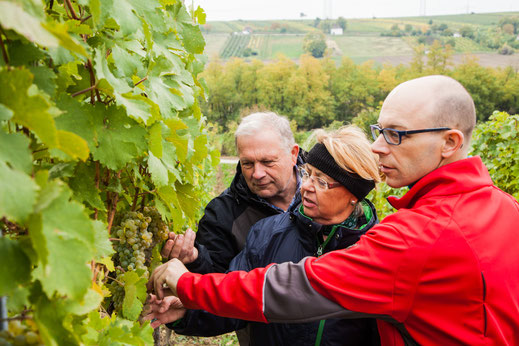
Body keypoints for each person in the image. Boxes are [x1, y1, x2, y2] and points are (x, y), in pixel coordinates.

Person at [148, 75, 519, 345]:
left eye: (395, 134)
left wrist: (186, 282)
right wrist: (192, 306)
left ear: (449, 142)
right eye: (379, 130)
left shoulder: (413, 238)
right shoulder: (507, 210)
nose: (377, 147)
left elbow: (295, 289)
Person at [146, 126, 382, 345]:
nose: (307, 186)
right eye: (307, 173)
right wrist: (186, 312)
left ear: (354, 194)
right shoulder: (268, 232)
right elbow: (235, 299)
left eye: (321, 181)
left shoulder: (376, 248)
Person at [160, 112, 305, 343]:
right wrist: (196, 260)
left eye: (268, 162)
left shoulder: (328, 188)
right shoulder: (222, 214)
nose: (257, 174)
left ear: (293, 153)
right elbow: (219, 288)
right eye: (247, 163)